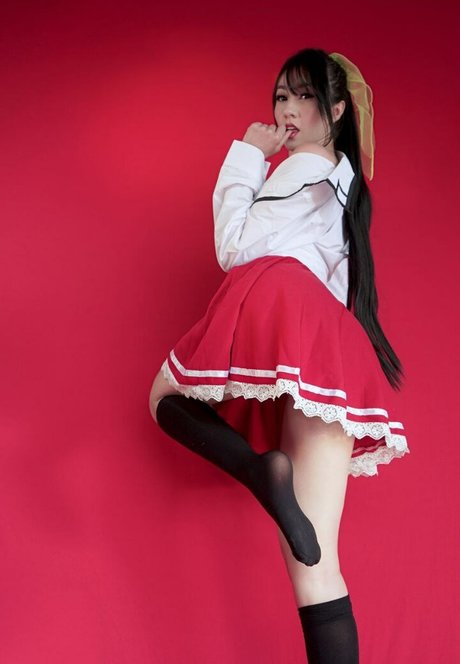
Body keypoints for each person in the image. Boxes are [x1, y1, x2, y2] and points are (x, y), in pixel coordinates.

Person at [148, 47, 410, 663]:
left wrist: (248, 153)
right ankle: (266, 475)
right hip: (332, 339)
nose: (288, 110)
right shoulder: (344, 181)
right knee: (318, 569)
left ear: (336, 110)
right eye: (281, 97)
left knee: (164, 397)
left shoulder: (301, 166)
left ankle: (258, 470)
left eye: (304, 96)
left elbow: (235, 249)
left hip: (279, 300)